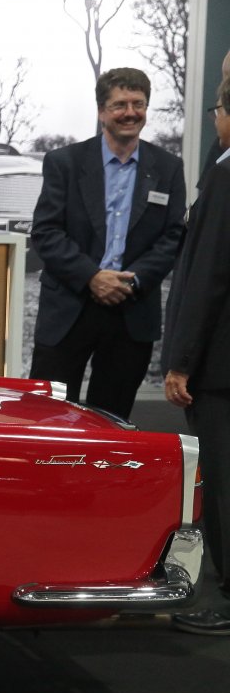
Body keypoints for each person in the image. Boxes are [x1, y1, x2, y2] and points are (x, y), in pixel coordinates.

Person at [28, 68, 186, 420]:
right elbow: (46, 231)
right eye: (120, 105)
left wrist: (134, 280)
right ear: (101, 111)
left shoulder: (168, 168)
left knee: (111, 423)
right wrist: (92, 276)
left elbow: (173, 236)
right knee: (47, 418)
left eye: (138, 104)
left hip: (131, 311)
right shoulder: (65, 163)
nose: (130, 113)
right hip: (70, 307)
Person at [160, 75, 230, 635]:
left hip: (219, 367)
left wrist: (181, 360)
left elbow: (207, 276)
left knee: (224, 485)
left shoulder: (225, 176)